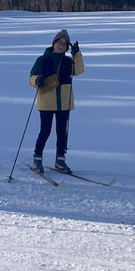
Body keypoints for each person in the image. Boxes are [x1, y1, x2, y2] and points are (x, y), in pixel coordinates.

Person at [28, 29, 84, 174]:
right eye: (59, 42)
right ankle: (37, 159)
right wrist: (37, 80)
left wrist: (76, 54)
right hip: (47, 102)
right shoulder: (43, 60)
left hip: (64, 103)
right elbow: (31, 77)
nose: (61, 46)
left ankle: (60, 160)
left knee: (62, 132)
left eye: (65, 44)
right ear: (54, 43)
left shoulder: (68, 61)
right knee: (45, 131)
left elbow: (78, 71)